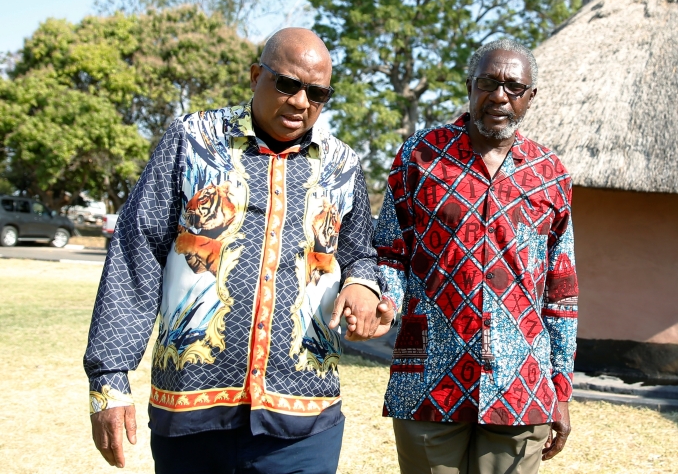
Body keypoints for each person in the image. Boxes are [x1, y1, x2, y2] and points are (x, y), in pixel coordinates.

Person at [84, 28, 389, 473]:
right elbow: (137, 252)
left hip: (305, 417)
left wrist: (363, 284)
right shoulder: (192, 140)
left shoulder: (342, 164)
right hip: (191, 411)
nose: (301, 102)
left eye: (318, 93)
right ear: (254, 76)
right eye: (287, 84)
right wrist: (109, 381)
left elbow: (362, 250)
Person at [370, 38, 577, 474]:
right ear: (469, 85)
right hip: (427, 379)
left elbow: (561, 295)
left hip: (520, 385)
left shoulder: (551, 175)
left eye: (514, 87)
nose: (499, 96)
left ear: (531, 97)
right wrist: (384, 299)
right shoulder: (419, 157)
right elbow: (389, 251)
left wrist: (560, 389)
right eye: (488, 82)